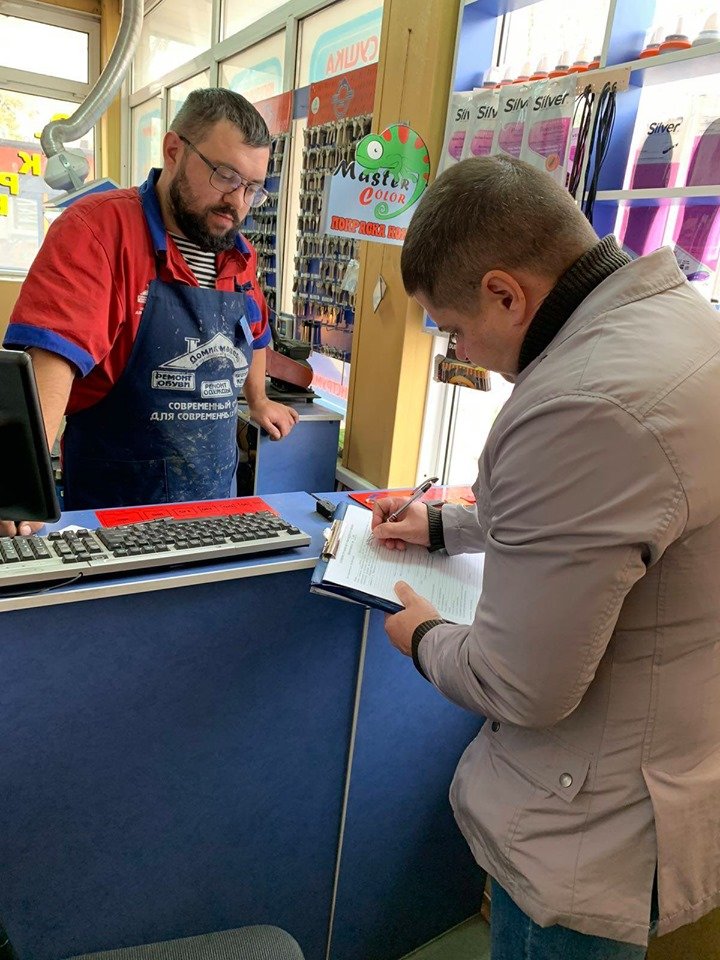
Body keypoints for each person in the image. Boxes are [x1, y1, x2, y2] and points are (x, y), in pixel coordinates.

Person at [371, 155, 720, 959]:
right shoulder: (675, 322)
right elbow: (611, 517)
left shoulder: (581, 401)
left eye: (454, 329)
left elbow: (519, 684)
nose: (463, 349)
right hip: (673, 768)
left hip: (592, 830)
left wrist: (422, 636)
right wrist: (443, 528)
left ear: (506, 293)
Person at [2, 88, 299, 535]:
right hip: (117, 514)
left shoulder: (238, 255)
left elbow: (255, 335)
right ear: (174, 150)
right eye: (225, 176)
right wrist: (19, 485)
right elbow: (50, 362)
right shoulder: (97, 232)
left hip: (215, 507)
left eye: (253, 188)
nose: (237, 201)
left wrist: (258, 401)